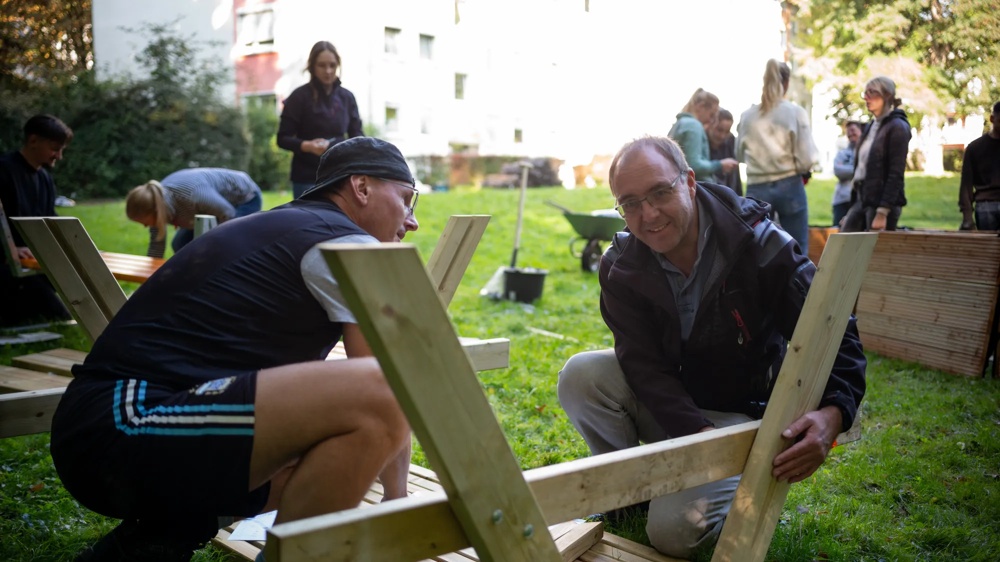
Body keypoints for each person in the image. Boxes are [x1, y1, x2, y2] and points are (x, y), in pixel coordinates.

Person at [51, 137, 419, 562]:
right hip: (122, 429)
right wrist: (397, 500)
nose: (411, 222)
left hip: (99, 433)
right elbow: (387, 383)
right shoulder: (344, 244)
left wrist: (395, 496)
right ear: (361, 187)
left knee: (336, 455)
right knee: (377, 395)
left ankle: (146, 547)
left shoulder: (292, 226)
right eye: (407, 200)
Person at [557, 136, 866, 560]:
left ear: (688, 182)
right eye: (629, 203)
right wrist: (694, 436)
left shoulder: (758, 243)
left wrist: (835, 413)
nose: (647, 215)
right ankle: (629, 497)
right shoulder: (621, 264)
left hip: (741, 417)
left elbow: (837, 331)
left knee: (674, 535)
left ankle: (699, 486)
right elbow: (642, 366)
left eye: (660, 193)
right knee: (582, 376)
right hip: (677, 410)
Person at [736, 59, 819, 255]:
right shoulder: (795, 112)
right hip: (789, 184)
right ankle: (800, 285)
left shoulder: (747, 116)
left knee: (756, 249)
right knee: (798, 247)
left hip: (757, 186)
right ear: (787, 83)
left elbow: (739, 154)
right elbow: (807, 157)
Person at [0, 114, 73, 326]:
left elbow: (50, 220)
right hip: (6, 263)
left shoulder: (45, 178)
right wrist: (9, 248)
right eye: (54, 148)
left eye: (61, 150)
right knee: (60, 317)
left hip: (36, 259)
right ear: (33, 141)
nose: (58, 156)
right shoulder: (4, 170)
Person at [277, 40, 363, 199]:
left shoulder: (347, 98)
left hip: (340, 174)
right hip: (306, 176)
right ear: (312, 67)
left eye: (332, 65)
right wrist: (307, 146)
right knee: (307, 223)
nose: (328, 71)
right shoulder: (299, 97)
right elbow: (282, 138)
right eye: (322, 65)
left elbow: (358, 137)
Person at [125, 168, 263, 258]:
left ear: (155, 212)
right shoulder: (157, 204)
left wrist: (216, 243)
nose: (145, 226)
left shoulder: (192, 194)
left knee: (223, 248)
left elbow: (227, 214)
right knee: (180, 244)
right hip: (210, 207)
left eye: (144, 222)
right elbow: (156, 247)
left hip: (242, 199)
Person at [840, 76, 911, 233]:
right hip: (863, 198)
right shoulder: (872, 125)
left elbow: (896, 173)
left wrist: (882, 212)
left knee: (873, 255)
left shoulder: (897, 127)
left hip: (881, 203)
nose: (866, 97)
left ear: (887, 95)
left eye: (872, 92)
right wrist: (852, 211)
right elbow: (862, 169)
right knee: (844, 242)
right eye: (865, 93)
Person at [668, 89, 739, 183]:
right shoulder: (693, 125)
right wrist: (720, 165)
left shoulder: (679, 124)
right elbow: (693, 165)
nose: (711, 121)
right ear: (701, 106)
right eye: (711, 115)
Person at [958, 101, 1000, 231]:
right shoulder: (975, 148)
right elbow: (966, 184)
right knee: (986, 249)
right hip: (985, 205)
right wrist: (967, 217)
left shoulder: (974, 147)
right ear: (992, 119)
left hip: (985, 205)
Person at [832, 121, 863, 226]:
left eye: (853, 130)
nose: (850, 133)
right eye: (848, 131)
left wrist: (849, 169)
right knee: (838, 231)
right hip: (841, 200)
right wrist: (858, 170)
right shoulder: (842, 153)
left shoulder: (866, 152)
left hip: (860, 200)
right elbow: (838, 170)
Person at [706, 108, 742, 195]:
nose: (722, 136)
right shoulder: (702, 140)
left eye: (727, 131)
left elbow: (736, 177)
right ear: (711, 124)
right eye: (719, 130)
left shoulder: (731, 140)